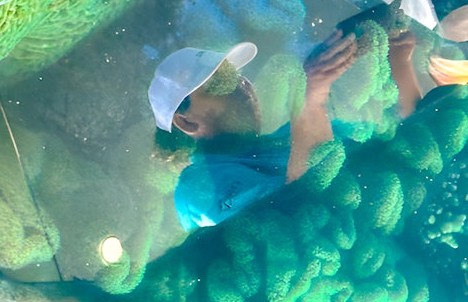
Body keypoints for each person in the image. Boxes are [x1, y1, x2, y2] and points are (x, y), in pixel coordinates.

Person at [149, 32, 359, 230]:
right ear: (186, 123)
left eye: (234, 74)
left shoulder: (279, 139)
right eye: (218, 84)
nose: (242, 84)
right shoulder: (196, 190)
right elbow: (287, 220)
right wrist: (311, 99)